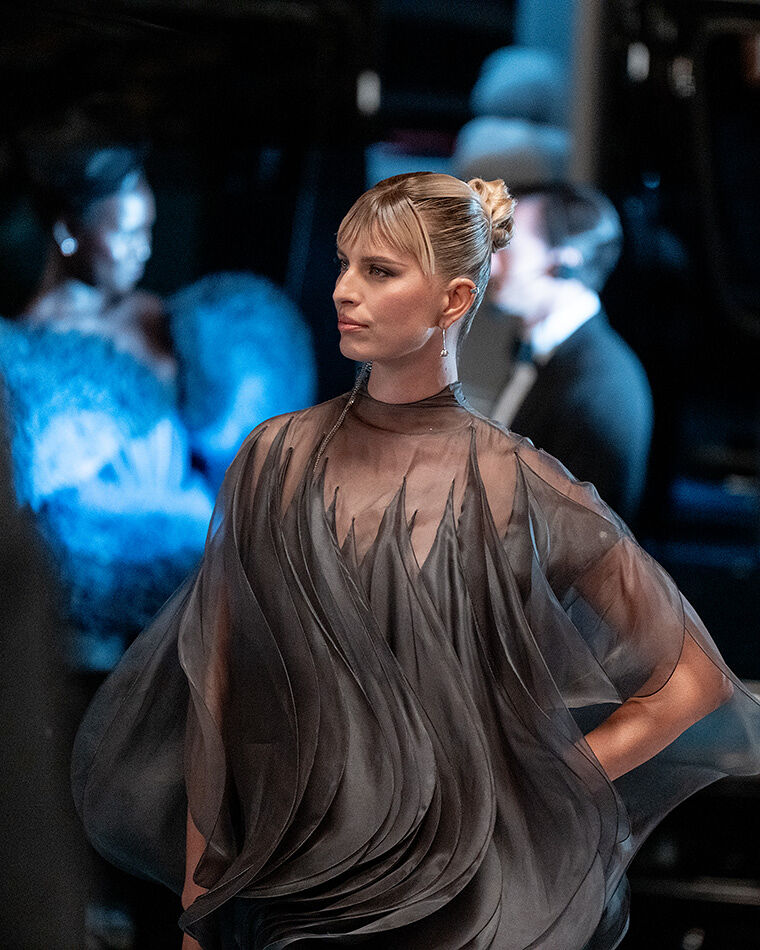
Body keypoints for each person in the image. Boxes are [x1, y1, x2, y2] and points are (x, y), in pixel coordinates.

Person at [72, 172, 760, 950]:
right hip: (282, 889)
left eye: (380, 271)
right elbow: (218, 703)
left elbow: (691, 684)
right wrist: (198, 917)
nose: (343, 291)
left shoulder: (517, 480)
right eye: (343, 264)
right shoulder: (276, 458)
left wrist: (525, 789)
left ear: (455, 301)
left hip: (450, 903)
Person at [459, 183, 653, 523]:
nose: (488, 262)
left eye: (504, 248)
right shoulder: (542, 354)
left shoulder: (597, 388)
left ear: (564, 263)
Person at [21, 144, 174, 382]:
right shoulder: (32, 346)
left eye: (148, 230)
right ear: (69, 232)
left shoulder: (152, 314)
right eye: (128, 234)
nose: (144, 249)